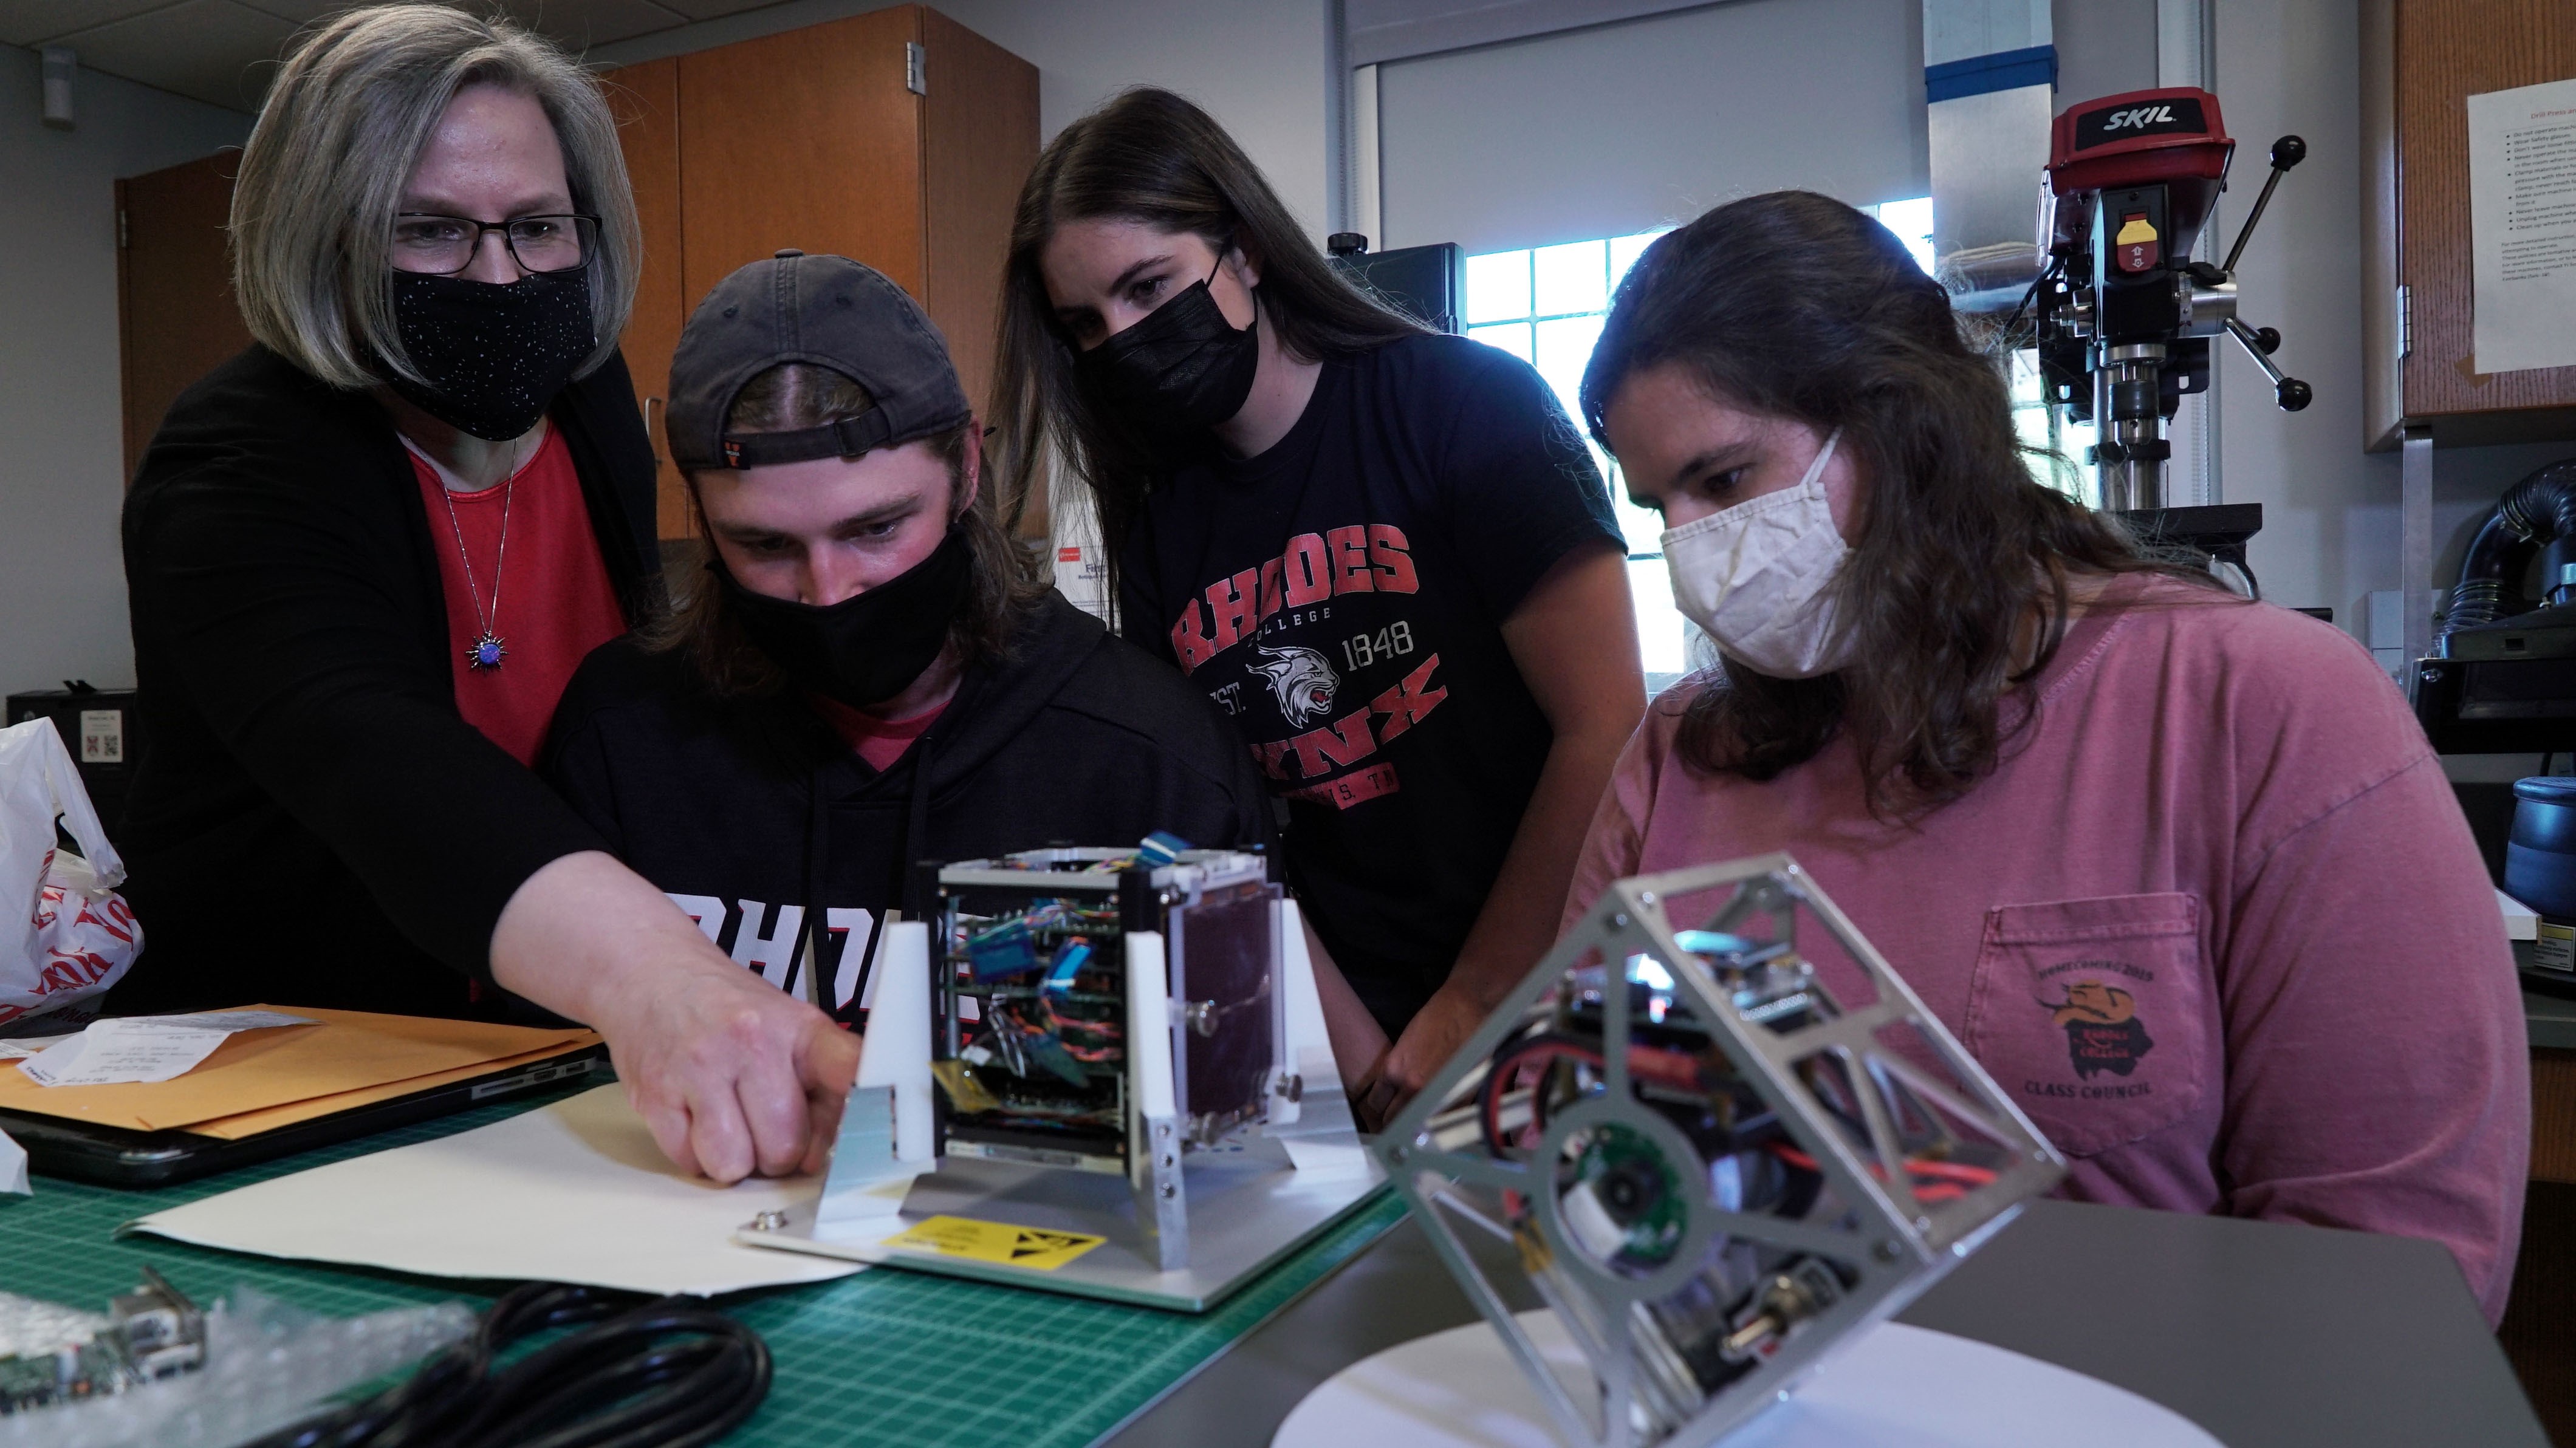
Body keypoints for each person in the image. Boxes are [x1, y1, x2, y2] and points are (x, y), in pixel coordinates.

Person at [1566, 190, 2528, 1321]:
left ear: (1902, 425)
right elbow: (1590, 1149)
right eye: (1657, 506)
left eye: (1724, 482)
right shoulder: (1684, 754)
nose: (1693, 550)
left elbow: (2396, 1272)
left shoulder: (2265, 709)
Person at [117, 7, 854, 1184]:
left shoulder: (587, 398)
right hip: (303, 1084)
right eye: (434, 232)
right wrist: (662, 980)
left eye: (536, 227)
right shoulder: (235, 467)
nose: (501, 276)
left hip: (541, 1055)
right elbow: (388, 768)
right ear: (329, 241)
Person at [991, 88, 1646, 1127]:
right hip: (1340, 1036)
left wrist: (1474, 1000)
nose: (1121, 339)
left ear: (1243, 249)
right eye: (1086, 322)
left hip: (1547, 993)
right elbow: (1223, 826)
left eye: (1149, 286)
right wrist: (1362, 1059)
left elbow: (1606, 727)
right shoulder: (1160, 518)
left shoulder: (1465, 407)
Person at [543, 251, 1270, 1014]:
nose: (827, 591)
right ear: (700, 513)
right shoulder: (620, 736)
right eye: (764, 545)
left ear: (964, 467)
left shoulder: (1150, 760)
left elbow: (1232, 1093)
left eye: (877, 526)